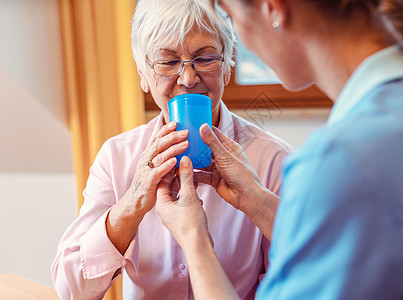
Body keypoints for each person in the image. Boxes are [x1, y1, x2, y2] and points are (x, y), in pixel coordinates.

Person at [155, 0, 403, 299]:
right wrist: (256, 200)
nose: (242, 41)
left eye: (233, 18)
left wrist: (195, 240)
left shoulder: (340, 160)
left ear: (274, 9)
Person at [51, 0, 292, 299]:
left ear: (227, 68)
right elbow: (71, 289)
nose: (189, 79)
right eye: (168, 62)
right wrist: (131, 204)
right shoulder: (117, 157)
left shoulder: (272, 160)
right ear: (143, 75)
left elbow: (299, 283)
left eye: (205, 59)